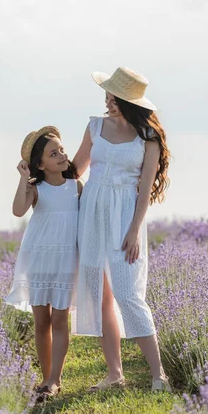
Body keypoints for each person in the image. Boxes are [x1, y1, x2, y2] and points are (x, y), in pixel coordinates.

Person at [72, 66, 171, 392]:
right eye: (108, 96)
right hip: (93, 211)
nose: (109, 102)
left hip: (127, 214)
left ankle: (159, 375)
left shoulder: (148, 137)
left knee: (129, 293)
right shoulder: (95, 126)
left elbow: (144, 189)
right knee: (97, 291)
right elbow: (76, 170)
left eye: (116, 98)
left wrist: (134, 230)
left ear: (132, 102)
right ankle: (115, 373)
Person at [6, 126, 82, 400]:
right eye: (53, 153)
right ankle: (46, 377)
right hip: (39, 258)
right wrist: (24, 179)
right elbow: (17, 210)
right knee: (42, 322)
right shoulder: (36, 189)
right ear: (40, 163)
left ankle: (54, 380)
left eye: (61, 149)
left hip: (65, 260)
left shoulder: (77, 187)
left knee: (60, 319)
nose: (62, 155)